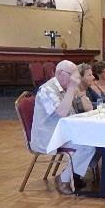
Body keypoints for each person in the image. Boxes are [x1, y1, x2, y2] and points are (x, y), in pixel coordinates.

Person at [31, 60, 96, 195]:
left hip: (65, 132)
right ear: (61, 74)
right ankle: (63, 179)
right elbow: (62, 113)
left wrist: (78, 92)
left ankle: (75, 176)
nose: (76, 80)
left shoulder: (65, 87)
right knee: (87, 146)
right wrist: (72, 88)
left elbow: (81, 109)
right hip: (49, 136)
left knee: (96, 139)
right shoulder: (47, 90)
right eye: (73, 76)